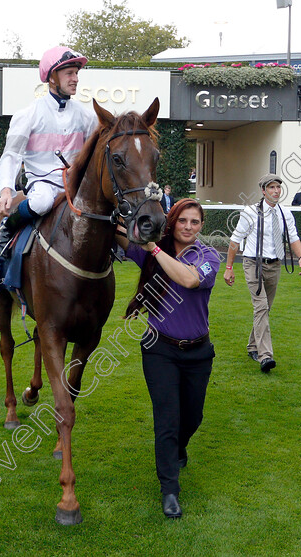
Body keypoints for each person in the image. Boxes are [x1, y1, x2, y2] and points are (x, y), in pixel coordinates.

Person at [116, 198, 220, 520]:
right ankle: (169, 491)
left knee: (193, 417)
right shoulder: (150, 250)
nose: (188, 227)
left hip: (198, 352)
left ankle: (178, 448)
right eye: (183, 221)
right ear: (172, 222)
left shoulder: (208, 256)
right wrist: (120, 218)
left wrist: (154, 250)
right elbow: (119, 235)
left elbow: (188, 279)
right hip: (159, 348)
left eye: (195, 222)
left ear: (201, 226)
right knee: (167, 419)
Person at [0, 46, 96, 253]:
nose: (75, 78)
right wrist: (5, 190)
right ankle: (8, 227)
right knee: (41, 203)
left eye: (76, 73)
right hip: (43, 183)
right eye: (69, 73)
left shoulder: (87, 117)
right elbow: (11, 155)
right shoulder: (28, 115)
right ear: (52, 78)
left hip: (76, 185)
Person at [223, 174, 301, 373]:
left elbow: (293, 237)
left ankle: (253, 346)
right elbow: (235, 241)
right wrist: (228, 268)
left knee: (265, 308)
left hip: (275, 264)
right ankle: (265, 356)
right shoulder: (250, 212)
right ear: (263, 191)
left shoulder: (285, 213)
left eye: (278, 187)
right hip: (253, 263)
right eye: (271, 187)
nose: (276, 191)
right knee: (261, 307)